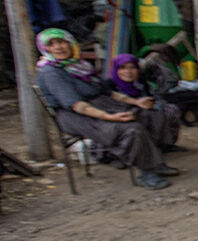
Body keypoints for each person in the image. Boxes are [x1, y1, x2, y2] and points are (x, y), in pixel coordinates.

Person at [34, 28, 179, 190]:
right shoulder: (51, 72)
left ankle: (154, 161)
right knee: (131, 129)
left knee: (153, 114)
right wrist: (110, 117)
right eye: (52, 44)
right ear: (45, 48)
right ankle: (146, 172)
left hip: (101, 104)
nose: (58, 47)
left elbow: (107, 92)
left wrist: (136, 102)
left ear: (70, 43)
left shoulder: (79, 65)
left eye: (61, 42)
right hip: (76, 115)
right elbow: (76, 105)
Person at [108, 54, 182, 151]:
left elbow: (157, 99)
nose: (128, 72)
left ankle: (165, 144)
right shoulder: (110, 86)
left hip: (149, 110)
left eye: (132, 67)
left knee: (170, 110)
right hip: (123, 114)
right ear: (116, 70)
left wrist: (153, 105)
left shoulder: (141, 83)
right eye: (122, 68)